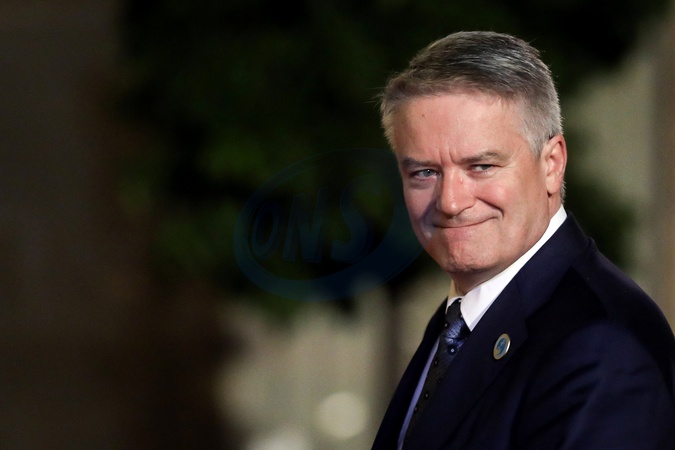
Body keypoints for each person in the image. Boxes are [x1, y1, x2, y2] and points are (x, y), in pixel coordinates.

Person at [371, 31, 675, 450]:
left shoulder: (602, 349)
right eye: (424, 173)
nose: (451, 202)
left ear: (552, 164)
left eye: (481, 166)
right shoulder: (461, 320)